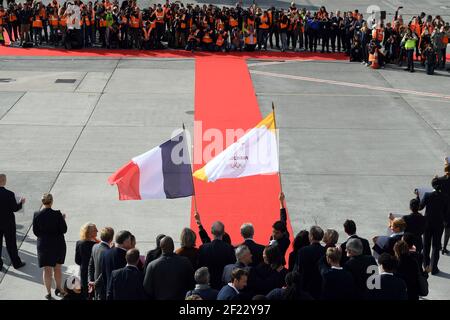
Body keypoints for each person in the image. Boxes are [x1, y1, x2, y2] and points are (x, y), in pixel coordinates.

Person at [32, 193, 67, 300]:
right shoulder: (57, 214)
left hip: (44, 245)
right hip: (57, 244)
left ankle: (48, 293)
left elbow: (36, 231)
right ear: (51, 202)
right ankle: (59, 288)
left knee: (47, 270)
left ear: (42, 202)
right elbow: (64, 230)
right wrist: (63, 219)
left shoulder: (36, 214)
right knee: (57, 268)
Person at [419, 177, 448, 274]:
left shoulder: (427, 195)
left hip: (427, 223)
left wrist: (418, 196)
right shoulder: (445, 197)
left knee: (426, 245)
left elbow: (420, 207)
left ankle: (426, 266)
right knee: (436, 246)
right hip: (439, 224)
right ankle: (434, 268)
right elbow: (446, 211)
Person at [198, 221, 236, 290]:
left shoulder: (203, 248)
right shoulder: (229, 249)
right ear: (223, 232)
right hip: (222, 286)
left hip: (206, 284)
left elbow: (199, 266)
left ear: (211, 232)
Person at [0, 173, 26, 270]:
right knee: (11, 244)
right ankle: (16, 263)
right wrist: (21, 203)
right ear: (4, 181)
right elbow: (15, 208)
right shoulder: (9, 194)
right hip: (8, 223)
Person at [295, 226, 325, 299]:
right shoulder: (325, 251)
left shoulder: (302, 251)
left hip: (305, 285)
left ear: (311, 236)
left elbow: (298, 269)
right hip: (319, 286)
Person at [101, 230, 133, 298]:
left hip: (109, 292)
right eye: (130, 240)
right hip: (123, 294)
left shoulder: (105, 253)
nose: (131, 242)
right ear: (125, 242)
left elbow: (103, 274)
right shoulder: (127, 256)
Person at [88, 226, 114, 300]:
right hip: (103, 287)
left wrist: (91, 281)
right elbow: (104, 272)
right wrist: (95, 283)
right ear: (111, 239)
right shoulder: (108, 252)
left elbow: (90, 265)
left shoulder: (95, 246)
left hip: (95, 285)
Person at [75, 222, 98, 299]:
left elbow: (77, 260)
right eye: (95, 230)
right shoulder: (96, 245)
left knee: (85, 291)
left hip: (84, 270)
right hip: (94, 272)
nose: (97, 231)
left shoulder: (79, 243)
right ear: (90, 233)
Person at [269, 192, 291, 265]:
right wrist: (281, 201)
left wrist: (271, 245)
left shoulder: (285, 242)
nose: (274, 235)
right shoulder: (282, 226)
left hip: (278, 263)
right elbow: (283, 217)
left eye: (276, 233)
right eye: (273, 231)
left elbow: (272, 253)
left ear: (283, 233)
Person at [438, 163, 450, 254]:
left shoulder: (439, 180)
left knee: (439, 228)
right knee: (447, 230)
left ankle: (438, 245)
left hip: (440, 207)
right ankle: (444, 247)